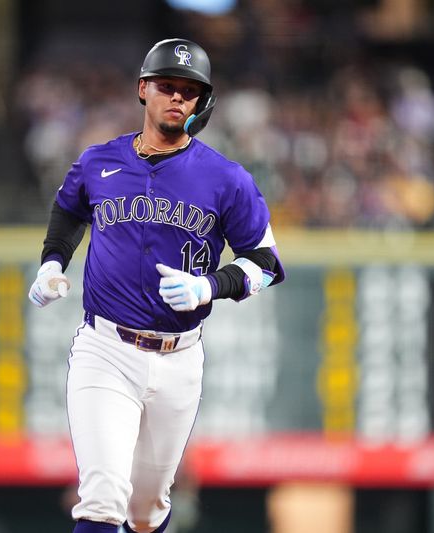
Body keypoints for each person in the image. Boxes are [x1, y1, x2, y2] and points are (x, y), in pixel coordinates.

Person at [27, 38, 285, 533]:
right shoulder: (99, 161)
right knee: (102, 498)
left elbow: (267, 263)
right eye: (167, 86)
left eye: (189, 91)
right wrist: (51, 263)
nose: (177, 99)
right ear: (143, 89)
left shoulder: (226, 179)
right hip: (105, 348)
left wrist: (212, 287)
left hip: (180, 357)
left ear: (201, 103)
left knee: (146, 511)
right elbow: (68, 210)